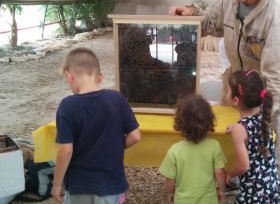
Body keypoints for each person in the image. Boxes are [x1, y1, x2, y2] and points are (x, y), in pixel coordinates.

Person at [169, 0, 280, 186]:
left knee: (271, 145)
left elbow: (274, 77)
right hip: (235, 84)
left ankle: (274, 192)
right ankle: (236, 181)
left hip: (265, 94)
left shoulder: (276, 16)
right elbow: (210, 23)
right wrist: (190, 14)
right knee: (231, 134)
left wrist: (256, 119)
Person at [51, 47, 141, 204]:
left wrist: (57, 183)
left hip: (80, 186)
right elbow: (135, 136)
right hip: (111, 184)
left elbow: (65, 150)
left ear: (69, 76)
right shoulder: (117, 99)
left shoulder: (67, 106)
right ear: (100, 77)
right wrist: (117, 145)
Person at [226, 69, 280, 203]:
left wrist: (229, 173)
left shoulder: (240, 129)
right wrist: (236, 128)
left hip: (253, 195)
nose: (226, 93)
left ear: (235, 100)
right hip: (273, 188)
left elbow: (243, 166)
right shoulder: (264, 118)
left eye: (228, 90)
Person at [159, 94, 227, 204]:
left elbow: (170, 178)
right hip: (209, 200)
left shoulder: (174, 150)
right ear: (209, 120)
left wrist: (170, 194)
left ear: (180, 122)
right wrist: (222, 191)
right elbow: (219, 173)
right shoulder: (215, 146)